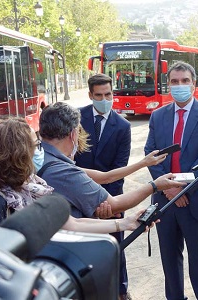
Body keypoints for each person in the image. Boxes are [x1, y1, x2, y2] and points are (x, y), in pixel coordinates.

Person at [0, 118, 151, 234]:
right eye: (35, 146)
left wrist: (126, 223)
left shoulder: (30, 187)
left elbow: (72, 224)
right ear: (16, 154)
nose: (38, 151)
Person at [144, 61, 198, 300]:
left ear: (193, 84)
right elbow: (151, 153)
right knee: (169, 258)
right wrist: (168, 189)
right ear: (168, 84)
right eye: (174, 81)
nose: (179, 85)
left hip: (197, 199)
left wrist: (180, 190)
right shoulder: (158, 116)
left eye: (184, 81)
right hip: (165, 200)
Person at [38, 102, 185, 219]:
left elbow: (106, 177)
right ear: (73, 134)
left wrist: (143, 163)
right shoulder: (63, 172)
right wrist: (154, 186)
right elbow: (114, 204)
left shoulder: (39, 157)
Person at [74, 73, 131, 300]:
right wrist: (85, 198)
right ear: (90, 95)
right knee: (83, 247)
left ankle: (121, 290)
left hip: (111, 198)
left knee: (115, 247)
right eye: (99, 95)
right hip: (78, 195)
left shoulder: (123, 126)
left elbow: (119, 170)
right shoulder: (75, 119)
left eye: (108, 94)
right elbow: (71, 163)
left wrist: (108, 202)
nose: (104, 99)